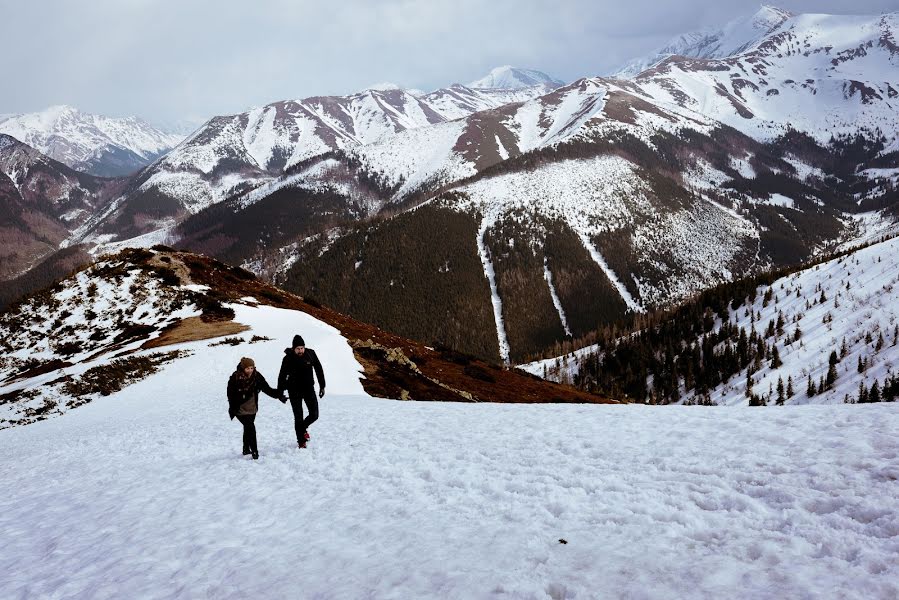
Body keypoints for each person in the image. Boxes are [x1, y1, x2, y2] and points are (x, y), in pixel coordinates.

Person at [227, 356, 282, 459]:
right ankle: (255, 452)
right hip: (239, 409)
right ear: (243, 368)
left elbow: (267, 389)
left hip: (252, 408)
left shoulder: (257, 376)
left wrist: (279, 395)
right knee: (251, 428)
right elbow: (230, 394)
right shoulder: (235, 377)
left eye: (252, 368)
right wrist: (235, 405)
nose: (250, 370)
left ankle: (245, 449)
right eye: (248, 368)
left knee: (248, 428)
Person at [278, 335, 325, 448]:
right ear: (293, 348)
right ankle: (301, 441)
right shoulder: (288, 358)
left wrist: (322, 386)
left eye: (302, 348)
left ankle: (302, 428)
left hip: (309, 389)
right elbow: (282, 376)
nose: (300, 350)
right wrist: (280, 393)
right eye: (298, 348)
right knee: (298, 416)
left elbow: (319, 369)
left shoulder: (311, 354)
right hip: (294, 391)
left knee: (314, 415)